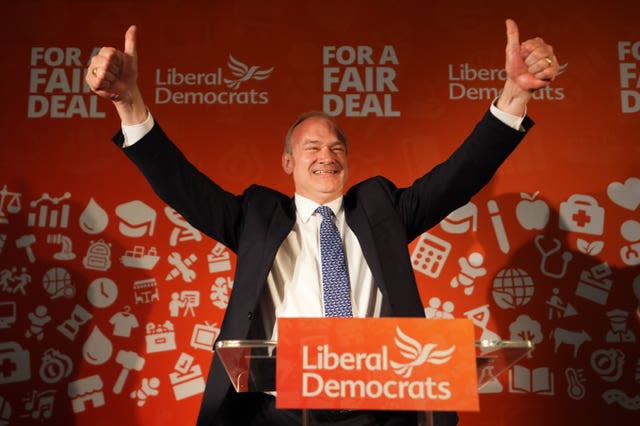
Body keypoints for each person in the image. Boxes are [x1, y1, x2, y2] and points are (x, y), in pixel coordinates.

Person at [87, 19, 560, 426]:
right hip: (276, 412)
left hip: (380, 411)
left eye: (335, 148)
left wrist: (515, 95)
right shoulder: (256, 215)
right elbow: (180, 183)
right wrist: (129, 104)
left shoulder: (381, 209)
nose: (326, 156)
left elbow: (459, 176)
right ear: (289, 163)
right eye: (311, 148)